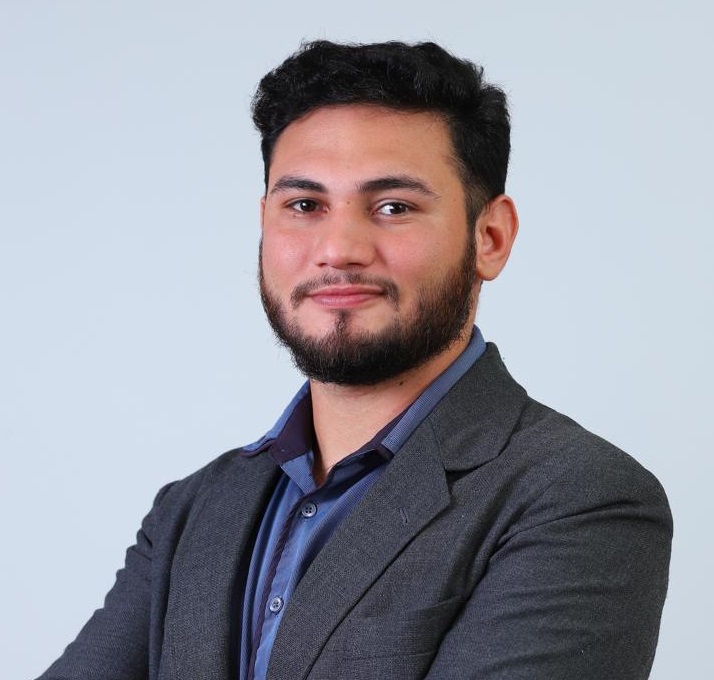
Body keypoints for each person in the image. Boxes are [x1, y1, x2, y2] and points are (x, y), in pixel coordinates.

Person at [38, 40, 672, 680]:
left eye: (394, 207)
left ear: (490, 237)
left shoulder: (577, 498)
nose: (338, 248)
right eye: (304, 206)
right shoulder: (192, 510)